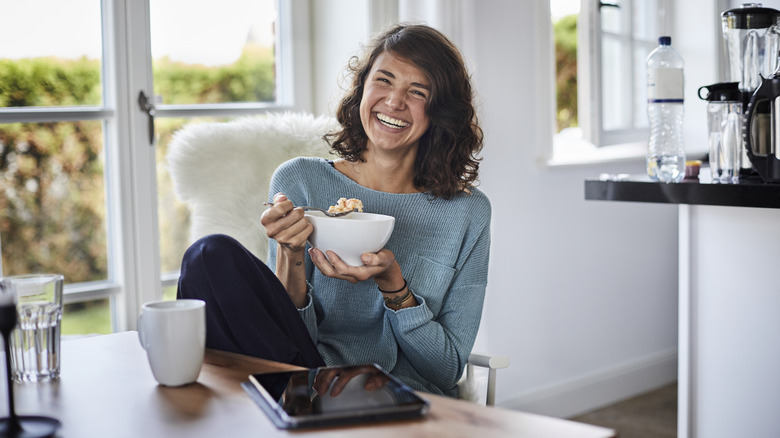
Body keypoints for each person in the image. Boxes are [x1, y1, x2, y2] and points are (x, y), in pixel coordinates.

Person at [177, 23, 490, 398]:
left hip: (398, 393)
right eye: (384, 81)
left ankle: (280, 413)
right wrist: (292, 254)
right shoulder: (301, 180)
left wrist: (395, 288)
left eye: (417, 91)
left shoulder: (467, 213)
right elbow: (286, 334)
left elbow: (445, 370)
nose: (394, 101)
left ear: (440, 112)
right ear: (362, 90)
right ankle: (287, 409)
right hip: (307, 374)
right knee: (208, 256)